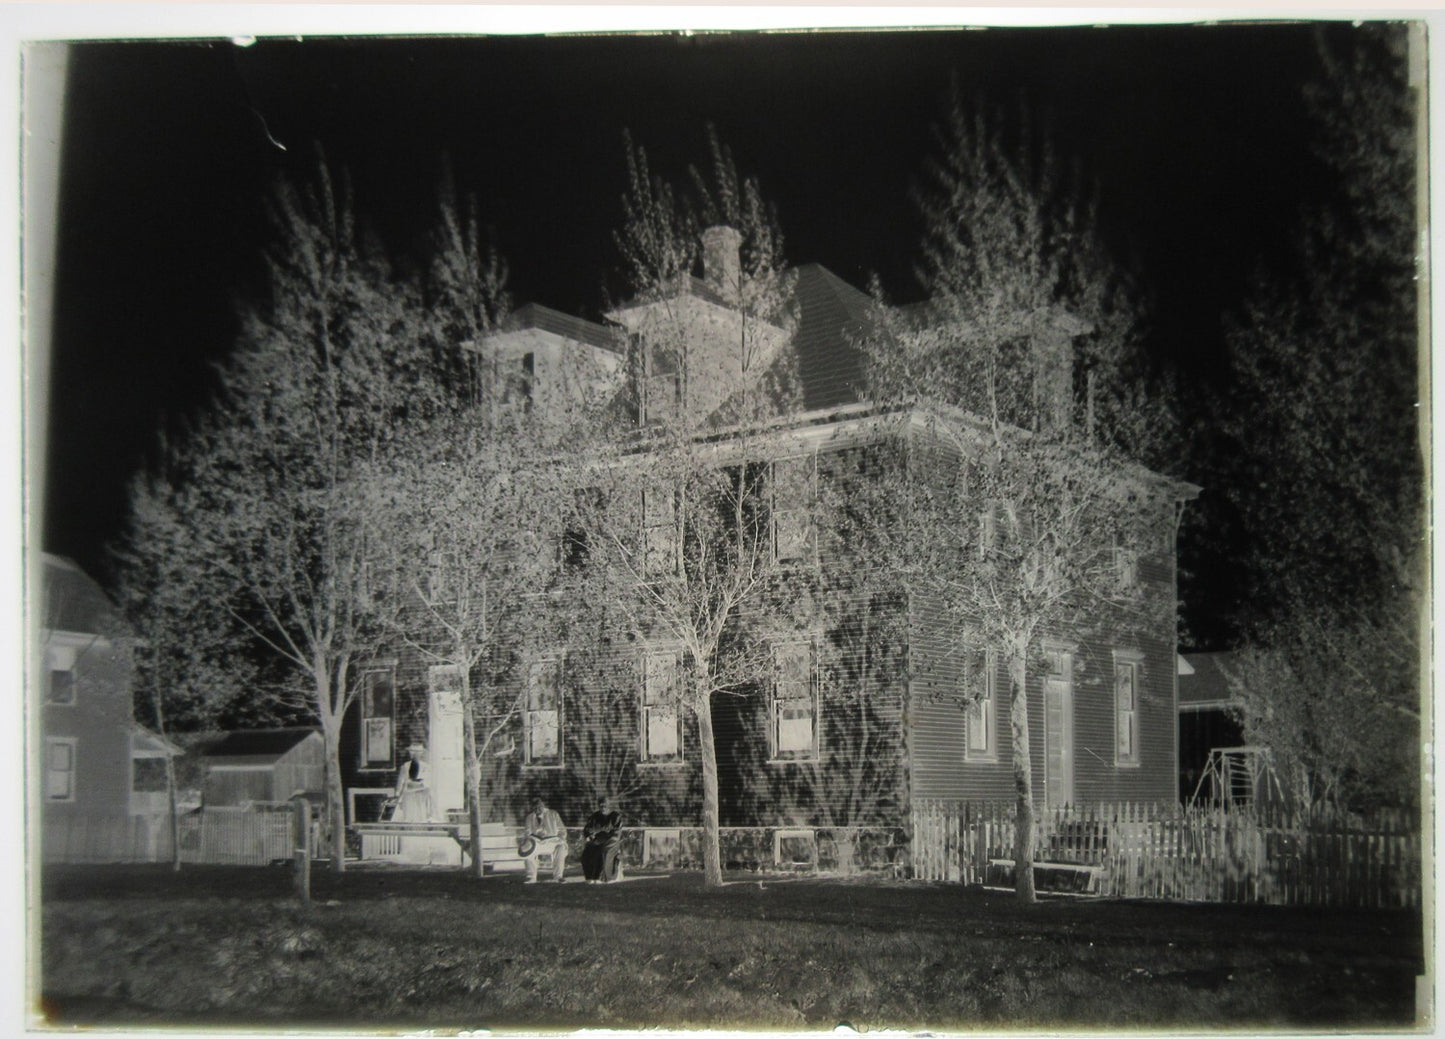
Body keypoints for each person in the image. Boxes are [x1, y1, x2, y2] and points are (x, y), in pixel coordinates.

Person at [521, 795, 568, 883]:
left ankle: (558, 876)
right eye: (535, 807)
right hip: (537, 844)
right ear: (532, 807)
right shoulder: (529, 817)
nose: (537, 809)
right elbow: (527, 833)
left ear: (543, 805)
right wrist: (531, 839)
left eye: (539, 806)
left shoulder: (553, 814)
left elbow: (562, 831)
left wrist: (560, 839)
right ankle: (531, 877)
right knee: (527, 847)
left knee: (561, 848)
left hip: (552, 843)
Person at [581, 796, 622, 883]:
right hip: (596, 840)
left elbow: (616, 832)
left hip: (611, 841)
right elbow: (587, 829)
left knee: (603, 851)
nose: (603, 808)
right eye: (601, 806)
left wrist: (603, 837)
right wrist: (589, 835)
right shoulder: (594, 816)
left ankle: (604, 878)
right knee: (586, 852)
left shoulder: (615, 816)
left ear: (608, 805)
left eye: (605, 806)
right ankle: (590, 877)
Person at [392, 743, 436, 822]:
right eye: (412, 751)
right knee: (407, 817)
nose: (413, 754)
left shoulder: (426, 767)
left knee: (420, 818)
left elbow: (427, 783)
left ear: (421, 753)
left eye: (417, 752)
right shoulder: (405, 766)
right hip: (408, 797)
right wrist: (397, 795)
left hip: (420, 797)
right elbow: (400, 782)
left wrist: (416, 785)